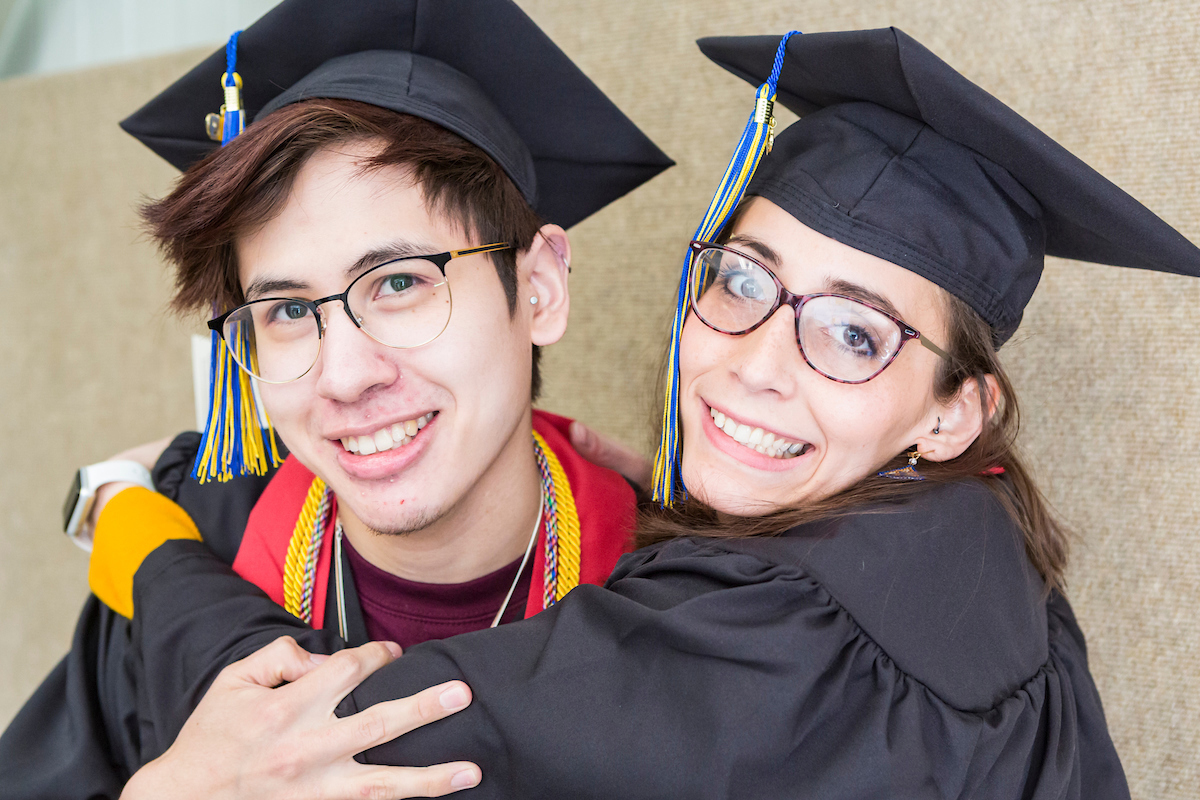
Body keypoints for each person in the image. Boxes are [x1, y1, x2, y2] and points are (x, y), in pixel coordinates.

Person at [86, 25, 1200, 799]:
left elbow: (347, 746)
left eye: (855, 334)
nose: (758, 366)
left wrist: (131, 531)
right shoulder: (986, 576)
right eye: (743, 284)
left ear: (957, 411)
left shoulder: (765, 628)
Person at [0, 1, 672, 796]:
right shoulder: (199, 548)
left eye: (398, 283)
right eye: (287, 311)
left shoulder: (675, 599)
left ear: (540, 288)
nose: (345, 375)